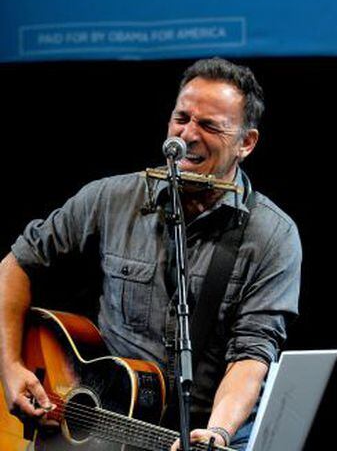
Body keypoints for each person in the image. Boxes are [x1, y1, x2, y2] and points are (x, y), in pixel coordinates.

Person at [0, 57, 301, 450]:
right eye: (181, 118)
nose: (187, 135)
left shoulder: (272, 236)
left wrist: (219, 432)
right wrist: (11, 366)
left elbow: (251, 355)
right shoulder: (111, 198)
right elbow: (17, 262)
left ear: (246, 143)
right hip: (102, 428)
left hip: (201, 431)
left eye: (209, 126)